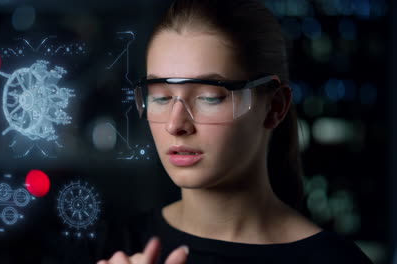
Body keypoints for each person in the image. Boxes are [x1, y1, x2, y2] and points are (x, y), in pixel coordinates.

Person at [94, 0, 373, 263]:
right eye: (160, 97)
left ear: (275, 106)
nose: (174, 124)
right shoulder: (113, 245)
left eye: (209, 97)